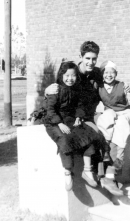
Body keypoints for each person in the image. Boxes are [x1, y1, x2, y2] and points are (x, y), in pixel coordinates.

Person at [45, 41, 129, 196]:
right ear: (80, 57)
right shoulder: (73, 74)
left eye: (94, 59)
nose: (91, 62)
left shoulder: (97, 73)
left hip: (90, 114)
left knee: (115, 128)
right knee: (98, 135)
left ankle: (109, 176)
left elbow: (112, 83)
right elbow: (59, 91)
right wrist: (47, 90)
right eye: (88, 58)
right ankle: (102, 176)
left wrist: (124, 93)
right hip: (75, 118)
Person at [44, 61, 102, 191]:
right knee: (64, 139)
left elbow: (80, 105)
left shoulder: (76, 89)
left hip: (70, 119)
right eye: (67, 75)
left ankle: (87, 171)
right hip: (54, 121)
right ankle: (68, 172)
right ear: (61, 75)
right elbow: (50, 110)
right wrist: (59, 123)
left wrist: (78, 117)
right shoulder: (55, 89)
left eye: (73, 76)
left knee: (89, 135)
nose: (70, 79)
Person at [96, 60, 130, 172]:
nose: (109, 75)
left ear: (116, 74)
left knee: (121, 124)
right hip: (111, 113)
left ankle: (119, 159)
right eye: (106, 73)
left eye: (112, 72)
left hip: (125, 112)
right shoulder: (99, 87)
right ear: (102, 74)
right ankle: (106, 152)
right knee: (106, 120)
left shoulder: (122, 85)